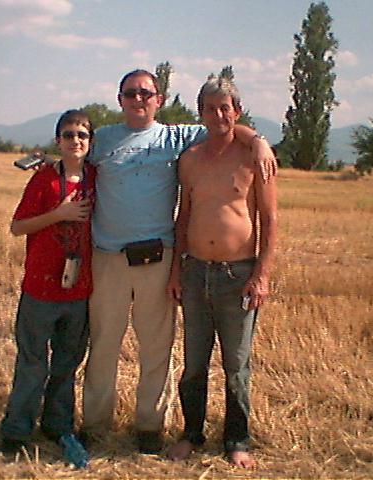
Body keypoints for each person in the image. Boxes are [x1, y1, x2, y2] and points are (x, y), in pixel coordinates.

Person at [80, 69, 277, 454]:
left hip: (161, 258)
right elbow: (70, 157)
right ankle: (95, 423)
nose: (139, 99)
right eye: (130, 93)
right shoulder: (101, 140)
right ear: (119, 98)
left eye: (147, 93)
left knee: (162, 348)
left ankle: (152, 428)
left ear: (161, 99)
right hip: (110, 258)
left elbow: (228, 126)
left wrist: (260, 140)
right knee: (105, 344)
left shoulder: (177, 137)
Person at [166, 77, 278, 468]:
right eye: (210, 108)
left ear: (237, 111)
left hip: (238, 275)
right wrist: (177, 272)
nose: (218, 115)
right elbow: (183, 219)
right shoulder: (190, 159)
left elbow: (270, 217)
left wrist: (261, 273)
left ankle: (237, 440)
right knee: (194, 363)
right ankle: (191, 434)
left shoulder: (254, 158)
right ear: (200, 113)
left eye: (225, 108)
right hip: (195, 273)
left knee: (236, 366)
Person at [0, 109, 95, 469]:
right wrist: (59, 213)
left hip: (79, 291)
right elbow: (17, 227)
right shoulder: (43, 180)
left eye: (82, 135)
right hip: (40, 290)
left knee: (67, 365)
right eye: (69, 134)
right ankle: (16, 429)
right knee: (32, 364)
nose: (76, 141)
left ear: (90, 142)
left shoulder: (96, 178)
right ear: (58, 139)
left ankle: (57, 425)